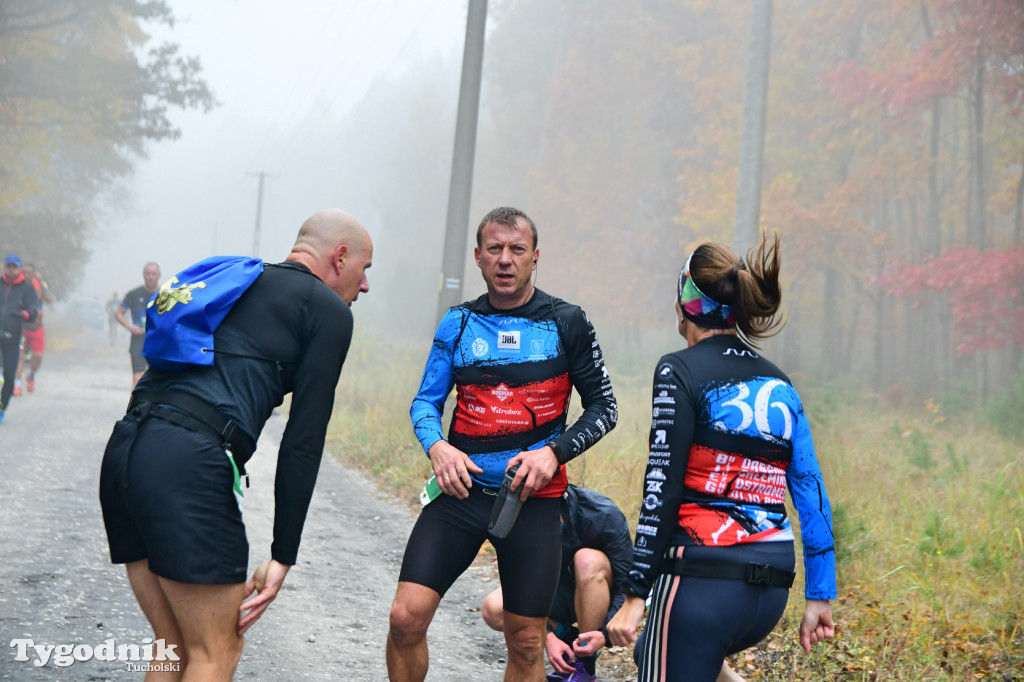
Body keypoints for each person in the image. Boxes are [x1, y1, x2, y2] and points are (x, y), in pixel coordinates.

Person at [99, 209, 373, 681]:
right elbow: (302, 441)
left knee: (174, 647)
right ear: (340, 257)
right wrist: (283, 553)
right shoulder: (326, 311)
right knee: (216, 649)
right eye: (365, 269)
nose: (365, 285)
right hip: (186, 463)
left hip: (127, 448)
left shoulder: (237, 281)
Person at [386, 206, 618, 682]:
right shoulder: (458, 323)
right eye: (495, 249)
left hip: (533, 501)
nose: (505, 260)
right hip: (460, 493)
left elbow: (605, 408)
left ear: (536, 257)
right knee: (404, 619)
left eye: (516, 250)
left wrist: (553, 453)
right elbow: (424, 403)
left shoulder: (567, 322)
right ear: (478, 257)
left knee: (528, 641)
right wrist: (438, 447)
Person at [606, 235, 836, 682]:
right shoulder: (781, 385)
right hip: (770, 591)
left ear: (685, 304)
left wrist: (635, 593)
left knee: (664, 648)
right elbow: (811, 491)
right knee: (662, 650)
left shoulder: (679, 369)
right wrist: (819, 596)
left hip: (703, 581)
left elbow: (662, 485)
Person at [481, 484, 632, 682]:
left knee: (586, 559)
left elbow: (628, 586)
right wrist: (547, 636)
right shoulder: (516, 515)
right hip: (551, 591)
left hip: (596, 589)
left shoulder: (603, 514)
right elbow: (519, 582)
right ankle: (570, 644)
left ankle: (585, 664)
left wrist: (605, 634)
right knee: (493, 608)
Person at [0, 254, 39, 423]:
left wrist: (25, 314)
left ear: (19, 268)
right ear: (5, 267)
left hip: (13, 336)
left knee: (9, 376)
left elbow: (33, 311)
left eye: (14, 266)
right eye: (8, 266)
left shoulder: (27, 288)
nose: (11, 269)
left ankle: (2, 407)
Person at [115, 261, 160, 389]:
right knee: (138, 377)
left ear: (158, 275)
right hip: (138, 340)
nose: (150, 277)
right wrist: (129, 326)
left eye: (153, 274)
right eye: (148, 274)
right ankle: (136, 408)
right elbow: (118, 313)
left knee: (157, 379)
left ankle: (152, 407)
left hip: (158, 341)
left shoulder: (166, 295)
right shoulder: (133, 294)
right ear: (143, 275)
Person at [16, 263, 55, 394]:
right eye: (24, 272)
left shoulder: (39, 285)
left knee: (37, 357)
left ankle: (31, 375)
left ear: (34, 273)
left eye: (29, 272)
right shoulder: (18, 285)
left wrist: (42, 282)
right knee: (19, 356)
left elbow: (50, 299)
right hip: (22, 328)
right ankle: (17, 385)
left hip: (37, 328)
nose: (26, 275)